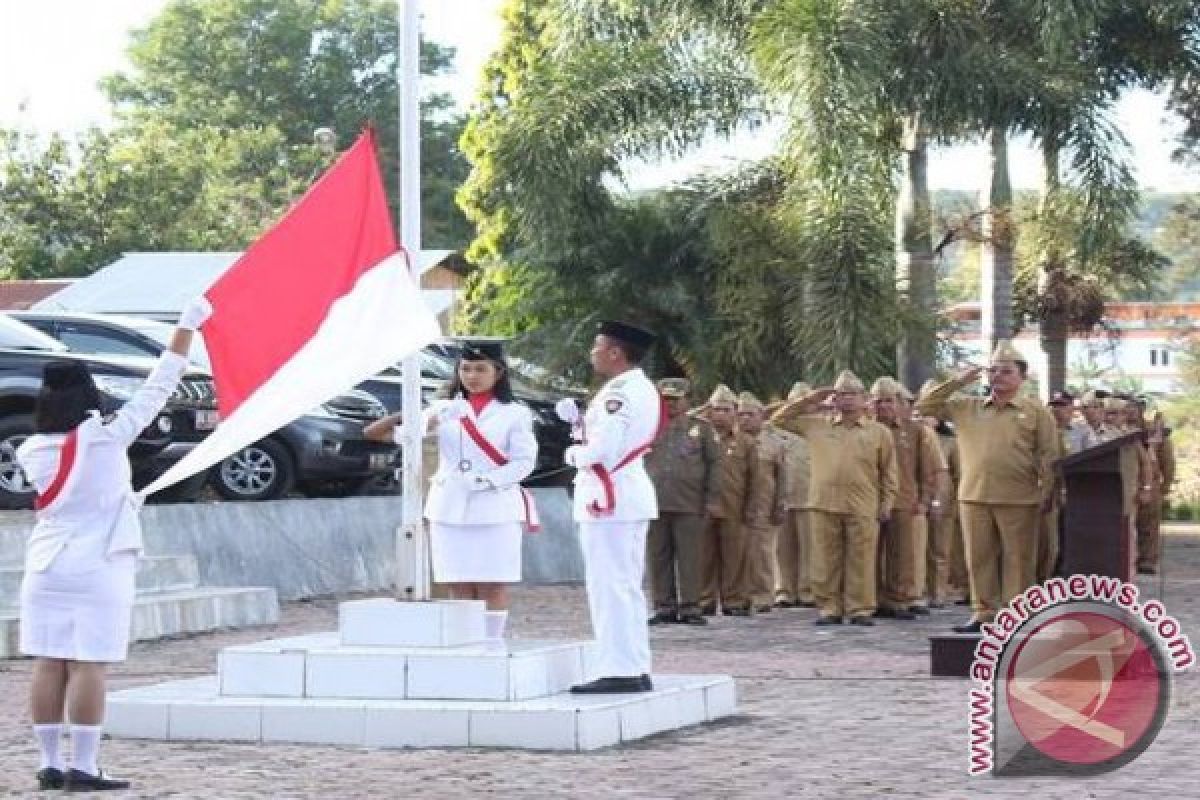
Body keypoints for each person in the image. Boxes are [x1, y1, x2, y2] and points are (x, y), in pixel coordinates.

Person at [17, 298, 210, 792]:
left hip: (46, 564)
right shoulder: (106, 436)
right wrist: (185, 325)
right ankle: (83, 765)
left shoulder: (28, 449)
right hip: (98, 563)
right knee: (87, 664)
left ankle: (47, 762)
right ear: (88, 397)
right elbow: (161, 383)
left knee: (48, 661)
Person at [364, 340, 538, 635]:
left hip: (494, 505)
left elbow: (524, 462)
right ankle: (466, 642)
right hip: (450, 505)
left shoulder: (514, 413)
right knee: (458, 581)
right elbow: (379, 434)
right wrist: (418, 414)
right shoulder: (445, 409)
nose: (472, 376)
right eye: (465, 369)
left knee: (492, 581)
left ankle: (492, 642)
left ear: (498, 373)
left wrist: (487, 480)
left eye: (480, 369)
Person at [916, 341, 1058, 634]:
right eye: (993, 371)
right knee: (978, 557)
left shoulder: (1035, 411)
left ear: (1022, 377)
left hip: (1019, 495)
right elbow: (924, 405)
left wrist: (1048, 492)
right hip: (974, 495)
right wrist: (958, 381)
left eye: (1006, 371)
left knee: (1018, 558)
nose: (998, 376)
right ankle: (983, 612)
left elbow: (1049, 454)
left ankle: (1016, 615)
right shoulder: (968, 407)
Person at [557, 320, 662, 694]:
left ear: (615, 352)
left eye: (597, 346)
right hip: (620, 495)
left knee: (610, 585)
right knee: (623, 585)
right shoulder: (635, 388)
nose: (592, 352)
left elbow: (604, 449)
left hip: (610, 497)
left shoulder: (621, 392)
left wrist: (574, 453)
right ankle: (632, 663)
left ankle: (620, 667)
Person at [771, 370, 898, 626]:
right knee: (825, 559)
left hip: (863, 503)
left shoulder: (879, 432)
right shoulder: (816, 425)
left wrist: (887, 503)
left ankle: (859, 608)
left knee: (861, 558)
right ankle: (830, 607)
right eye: (841, 394)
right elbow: (779, 419)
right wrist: (810, 400)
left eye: (852, 395)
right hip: (823, 502)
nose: (847, 400)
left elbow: (889, 472)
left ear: (864, 399)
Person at [644, 377, 720, 625]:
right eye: (666, 400)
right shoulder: (648, 426)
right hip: (654, 501)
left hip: (690, 501)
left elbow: (715, 465)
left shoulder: (702, 428)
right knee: (658, 557)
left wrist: (712, 498)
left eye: (676, 400)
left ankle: (690, 607)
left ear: (688, 401)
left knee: (690, 557)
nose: (671, 405)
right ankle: (664, 606)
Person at [870, 377, 944, 620]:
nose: (883, 407)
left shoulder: (914, 431)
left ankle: (900, 598)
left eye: (888, 401)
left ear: (899, 403)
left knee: (903, 555)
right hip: (869, 500)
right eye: (878, 401)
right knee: (871, 554)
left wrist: (925, 499)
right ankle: (875, 598)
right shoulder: (865, 429)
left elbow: (927, 469)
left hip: (905, 500)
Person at [697, 384, 757, 616]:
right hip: (704, 507)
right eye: (715, 410)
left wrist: (752, 507)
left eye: (726, 410)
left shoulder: (746, 442)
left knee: (736, 558)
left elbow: (755, 478)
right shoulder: (699, 437)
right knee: (703, 557)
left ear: (735, 412)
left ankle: (735, 601)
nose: (720, 414)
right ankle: (704, 600)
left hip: (735, 506)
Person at [737, 391, 787, 613]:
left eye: (750, 414)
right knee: (738, 551)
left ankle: (763, 595)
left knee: (762, 551)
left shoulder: (774, 443)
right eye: (741, 414)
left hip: (764, 503)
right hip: (735, 504)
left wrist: (780, 503)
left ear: (762, 416)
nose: (745, 419)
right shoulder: (731, 440)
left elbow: (782, 477)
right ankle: (739, 595)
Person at [774, 382, 814, 608]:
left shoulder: (818, 428)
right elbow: (778, 417)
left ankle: (807, 590)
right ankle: (784, 590)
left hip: (810, 497)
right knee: (782, 549)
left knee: (810, 549)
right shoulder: (777, 430)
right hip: (784, 497)